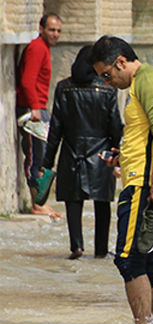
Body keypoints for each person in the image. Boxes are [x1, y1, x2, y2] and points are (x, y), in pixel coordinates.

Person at [89, 35, 153, 324]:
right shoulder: (150, 82)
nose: (107, 81)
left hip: (146, 187)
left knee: (129, 260)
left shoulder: (148, 80)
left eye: (107, 74)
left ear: (120, 62)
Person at [41, 45, 123, 258]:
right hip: (101, 153)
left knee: (73, 201)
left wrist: (47, 162)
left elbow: (55, 129)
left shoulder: (63, 88)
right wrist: (119, 153)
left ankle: (76, 246)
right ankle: (101, 250)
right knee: (102, 203)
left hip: (72, 152)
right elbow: (115, 125)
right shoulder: (108, 89)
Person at [17, 13, 63, 217]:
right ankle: (37, 204)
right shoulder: (36, 48)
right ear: (41, 29)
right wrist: (35, 107)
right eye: (52, 29)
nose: (55, 34)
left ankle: (41, 201)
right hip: (31, 108)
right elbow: (28, 80)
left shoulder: (44, 49)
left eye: (58, 31)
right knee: (35, 155)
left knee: (42, 155)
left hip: (39, 107)